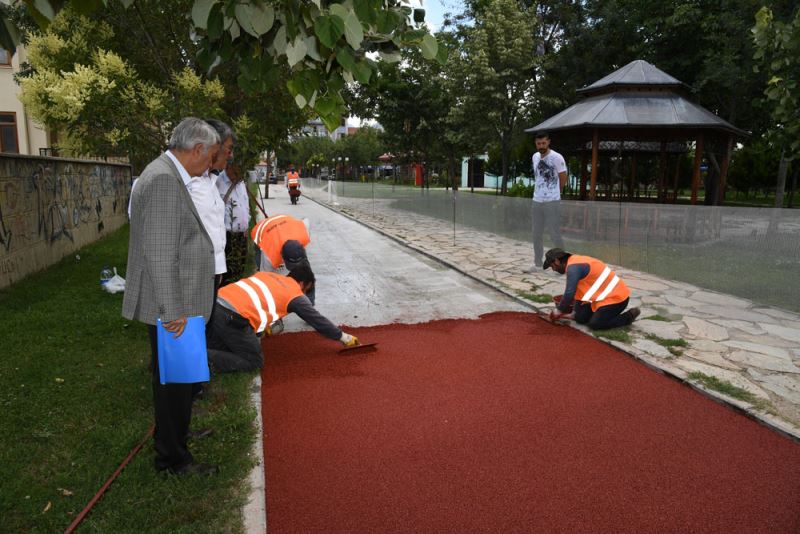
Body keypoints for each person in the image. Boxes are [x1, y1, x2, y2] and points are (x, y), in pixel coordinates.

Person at [122, 117, 220, 476]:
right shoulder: (164, 179)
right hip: (174, 305)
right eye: (209, 157)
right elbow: (161, 254)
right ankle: (172, 460)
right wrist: (173, 311)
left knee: (177, 380)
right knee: (174, 385)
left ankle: (176, 435)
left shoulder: (164, 172)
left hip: (176, 300)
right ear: (196, 149)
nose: (209, 164)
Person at [206, 263, 359, 372]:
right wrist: (343, 337)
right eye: (306, 290)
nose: (304, 295)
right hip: (232, 317)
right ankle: (202, 359)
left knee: (222, 344)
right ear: (302, 283)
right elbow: (317, 320)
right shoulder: (295, 294)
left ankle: (201, 352)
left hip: (215, 304)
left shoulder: (266, 275)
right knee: (254, 362)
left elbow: (258, 300)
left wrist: (261, 329)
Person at [543, 248, 640, 330]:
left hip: (617, 299)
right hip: (600, 298)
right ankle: (597, 314)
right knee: (580, 318)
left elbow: (569, 293)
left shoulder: (573, 268)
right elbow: (579, 291)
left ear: (556, 261)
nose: (554, 269)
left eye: (552, 266)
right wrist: (574, 313)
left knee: (595, 324)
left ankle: (628, 316)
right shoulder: (573, 263)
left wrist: (558, 311)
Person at [530, 131, 567, 271]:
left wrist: (556, 192)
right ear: (536, 143)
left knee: (554, 233)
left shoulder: (557, 157)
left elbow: (563, 177)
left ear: (548, 142)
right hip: (537, 200)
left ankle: (562, 264)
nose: (541, 146)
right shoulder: (535, 157)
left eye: (544, 143)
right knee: (536, 233)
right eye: (539, 143)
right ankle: (538, 263)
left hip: (552, 201)